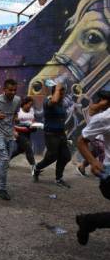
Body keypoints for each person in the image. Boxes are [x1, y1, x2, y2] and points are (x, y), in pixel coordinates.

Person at [75, 90, 110, 246]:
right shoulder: (104, 118)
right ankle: (88, 221)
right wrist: (92, 161)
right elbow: (81, 141)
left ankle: (88, 221)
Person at [0, 95, 38, 184]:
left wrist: (33, 124)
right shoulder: (17, 110)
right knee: (28, 148)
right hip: (17, 133)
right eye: (28, 104)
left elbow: (28, 119)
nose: (29, 106)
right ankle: (35, 168)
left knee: (17, 151)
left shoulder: (30, 110)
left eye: (31, 105)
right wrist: (14, 130)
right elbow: (13, 121)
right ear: (24, 103)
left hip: (27, 133)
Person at [33, 81, 73, 188]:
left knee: (65, 156)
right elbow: (54, 101)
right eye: (60, 93)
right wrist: (58, 88)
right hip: (51, 134)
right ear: (55, 92)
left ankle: (58, 178)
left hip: (61, 133)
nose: (62, 95)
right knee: (51, 157)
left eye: (63, 93)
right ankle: (37, 168)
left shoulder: (61, 103)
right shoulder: (48, 101)